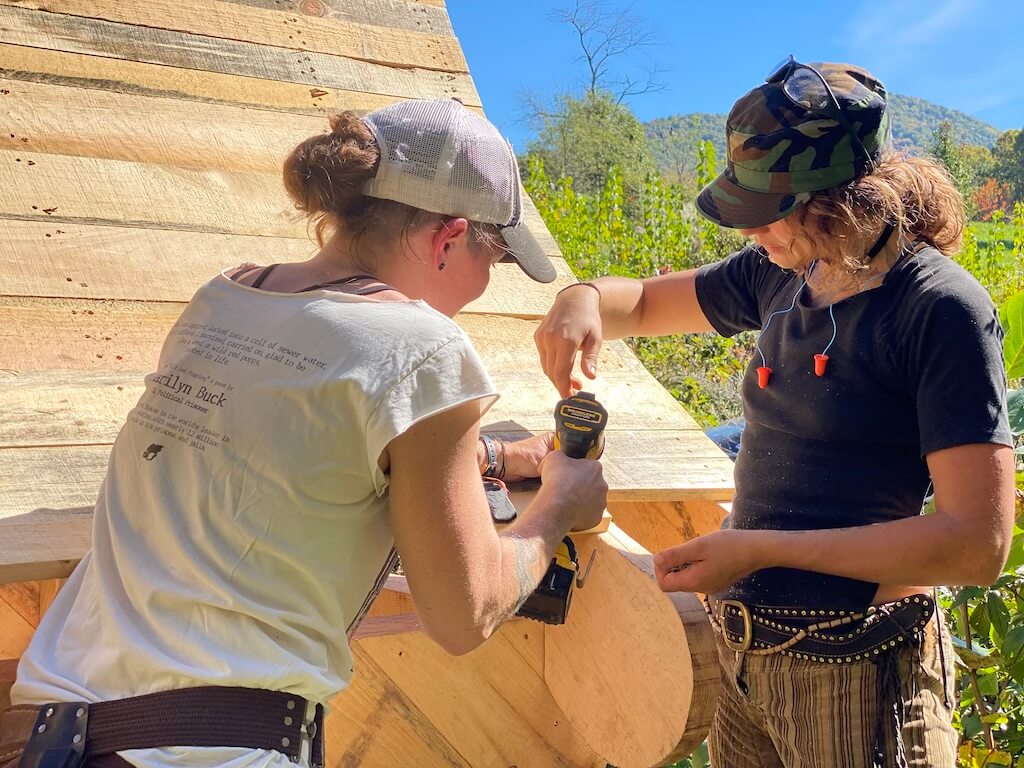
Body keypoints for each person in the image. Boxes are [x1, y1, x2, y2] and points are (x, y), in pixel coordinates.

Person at [1, 98, 606, 768]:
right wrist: (557, 507)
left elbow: (276, 441)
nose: (483, 286)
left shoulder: (222, 300)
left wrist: (487, 454)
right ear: (447, 237)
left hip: (66, 739)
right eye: (490, 261)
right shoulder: (425, 349)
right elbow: (466, 612)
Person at [535, 59, 1015, 767]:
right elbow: (636, 302)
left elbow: (976, 545)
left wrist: (759, 549)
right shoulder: (784, 272)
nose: (752, 233)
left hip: (862, 674)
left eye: (766, 213)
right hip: (747, 664)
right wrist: (577, 297)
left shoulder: (938, 310)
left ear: (838, 201)